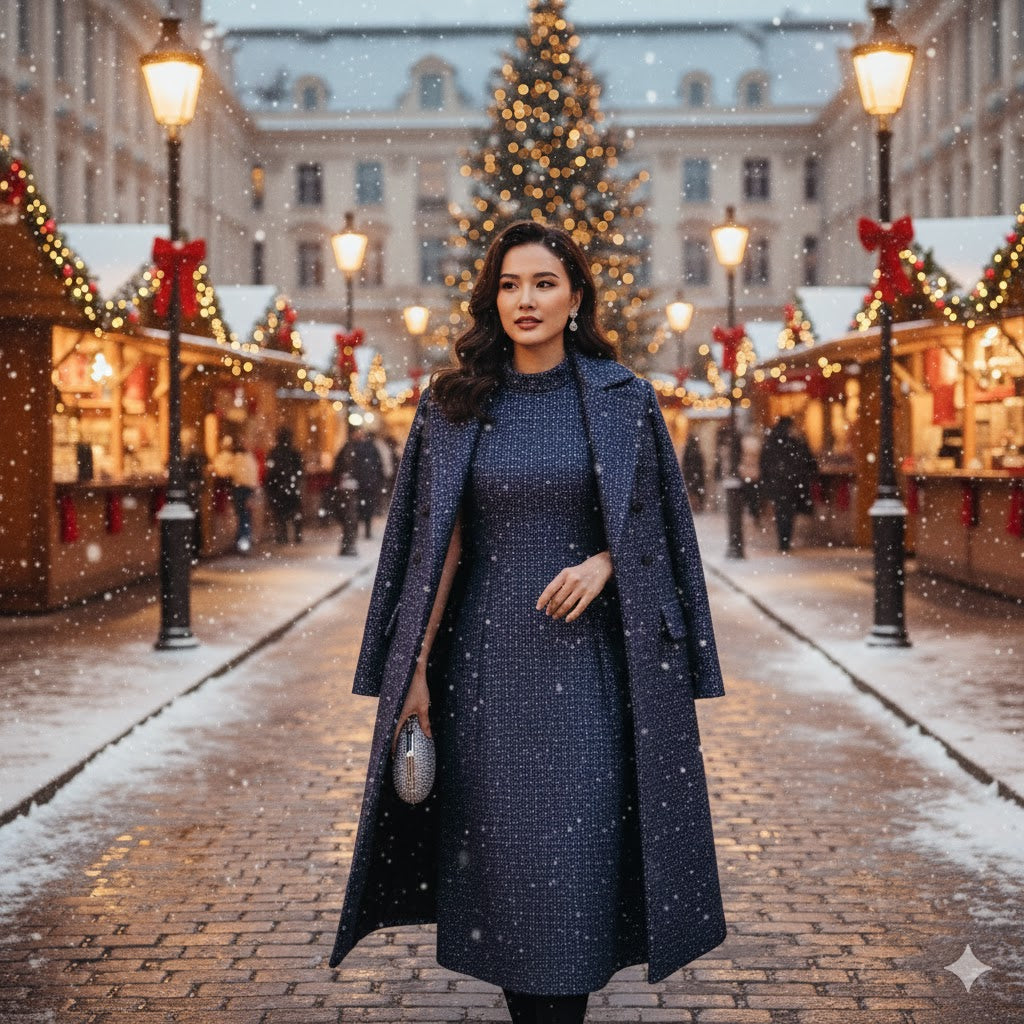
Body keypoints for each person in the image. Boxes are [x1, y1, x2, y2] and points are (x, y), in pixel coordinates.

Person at [328, 221, 727, 1023]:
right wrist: (410, 675)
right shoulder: (453, 405)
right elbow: (436, 547)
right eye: (510, 284)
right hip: (486, 678)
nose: (526, 300)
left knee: (571, 881)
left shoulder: (623, 398)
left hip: (589, 680)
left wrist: (605, 561)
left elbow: (657, 524)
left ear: (576, 297)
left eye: (544, 283)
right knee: (514, 897)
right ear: (492, 298)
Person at [758, 415, 818, 553]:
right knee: (788, 513)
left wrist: (766, 482)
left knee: (781, 512)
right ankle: (785, 540)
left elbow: (764, 463)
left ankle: (782, 541)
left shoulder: (771, 441)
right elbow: (807, 460)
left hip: (777, 483)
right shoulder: (794, 440)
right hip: (792, 483)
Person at [264, 426, 304, 544]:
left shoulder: (275, 453)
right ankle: (295, 535)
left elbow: (270, 472)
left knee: (280, 514)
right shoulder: (293, 453)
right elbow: (300, 470)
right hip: (289, 487)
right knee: (293, 513)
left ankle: (282, 536)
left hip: (279, 488)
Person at [230, 436, 259, 553]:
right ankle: (243, 541)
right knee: (245, 516)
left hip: (242, 489)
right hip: (245, 489)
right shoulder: (246, 458)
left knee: (243, 516)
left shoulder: (240, 458)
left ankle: (242, 541)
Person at [681, 433, 706, 512]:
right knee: (696, 491)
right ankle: (697, 507)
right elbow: (701, 465)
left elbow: (684, 464)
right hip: (696, 475)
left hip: (690, 475)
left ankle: (694, 507)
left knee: (692, 491)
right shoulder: (697, 451)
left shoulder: (688, 451)